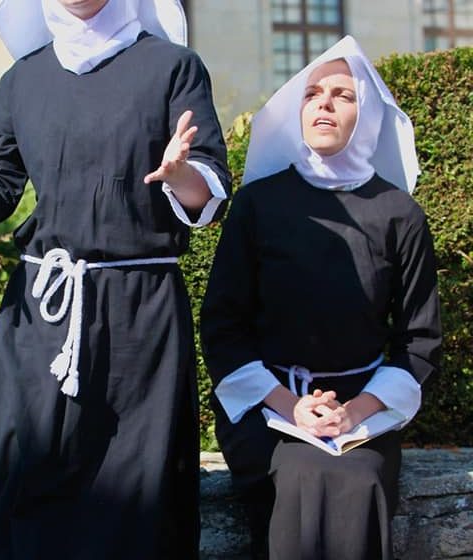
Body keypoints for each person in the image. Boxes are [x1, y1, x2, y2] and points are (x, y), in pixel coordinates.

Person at [0, 1, 231, 558]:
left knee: (141, 497)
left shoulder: (172, 68)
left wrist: (180, 175)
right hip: (42, 316)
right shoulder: (24, 78)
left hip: (140, 317)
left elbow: (209, 190)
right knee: (29, 485)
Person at [200, 36, 441, 560]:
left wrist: (355, 413)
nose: (324, 104)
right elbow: (222, 325)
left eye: (342, 95)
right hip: (266, 409)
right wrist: (291, 407)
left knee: (358, 479)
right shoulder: (258, 206)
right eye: (312, 93)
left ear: (369, 114)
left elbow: (420, 341)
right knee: (302, 473)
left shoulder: (399, 214)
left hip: (364, 413)